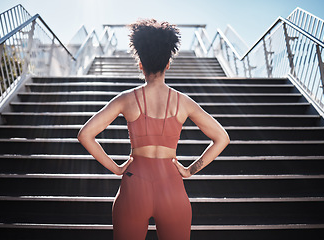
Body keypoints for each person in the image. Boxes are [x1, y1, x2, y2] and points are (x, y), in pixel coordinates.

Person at [77, 19, 230, 240]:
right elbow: (222, 138)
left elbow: (85, 134)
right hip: (172, 187)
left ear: (141, 64)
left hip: (134, 186)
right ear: (168, 64)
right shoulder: (184, 102)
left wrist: (117, 169)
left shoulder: (126, 99)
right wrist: (189, 170)